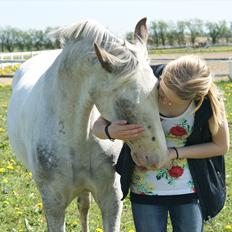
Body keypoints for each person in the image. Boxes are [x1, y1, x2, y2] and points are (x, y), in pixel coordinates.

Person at [92, 55, 230, 232]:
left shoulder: (207, 102)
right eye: (162, 94)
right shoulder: (142, 84)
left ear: (196, 97)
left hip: (190, 189)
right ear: (162, 78)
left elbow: (221, 146)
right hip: (144, 189)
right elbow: (98, 126)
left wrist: (174, 153)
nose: (164, 101)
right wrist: (109, 131)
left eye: (173, 101)